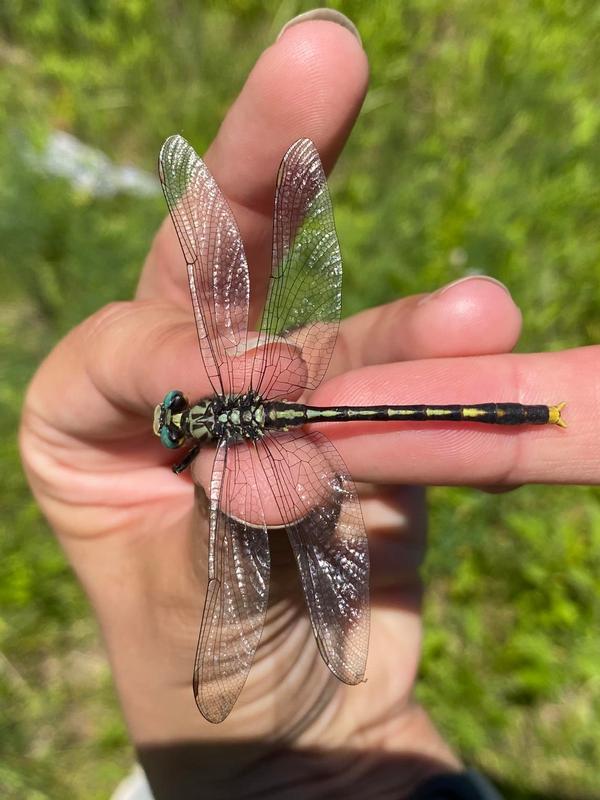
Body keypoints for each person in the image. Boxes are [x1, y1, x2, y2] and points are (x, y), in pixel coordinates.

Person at [19, 10, 592, 800]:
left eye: (177, 417)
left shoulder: (210, 428)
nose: (178, 418)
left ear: (188, 418)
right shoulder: (221, 405)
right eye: (179, 420)